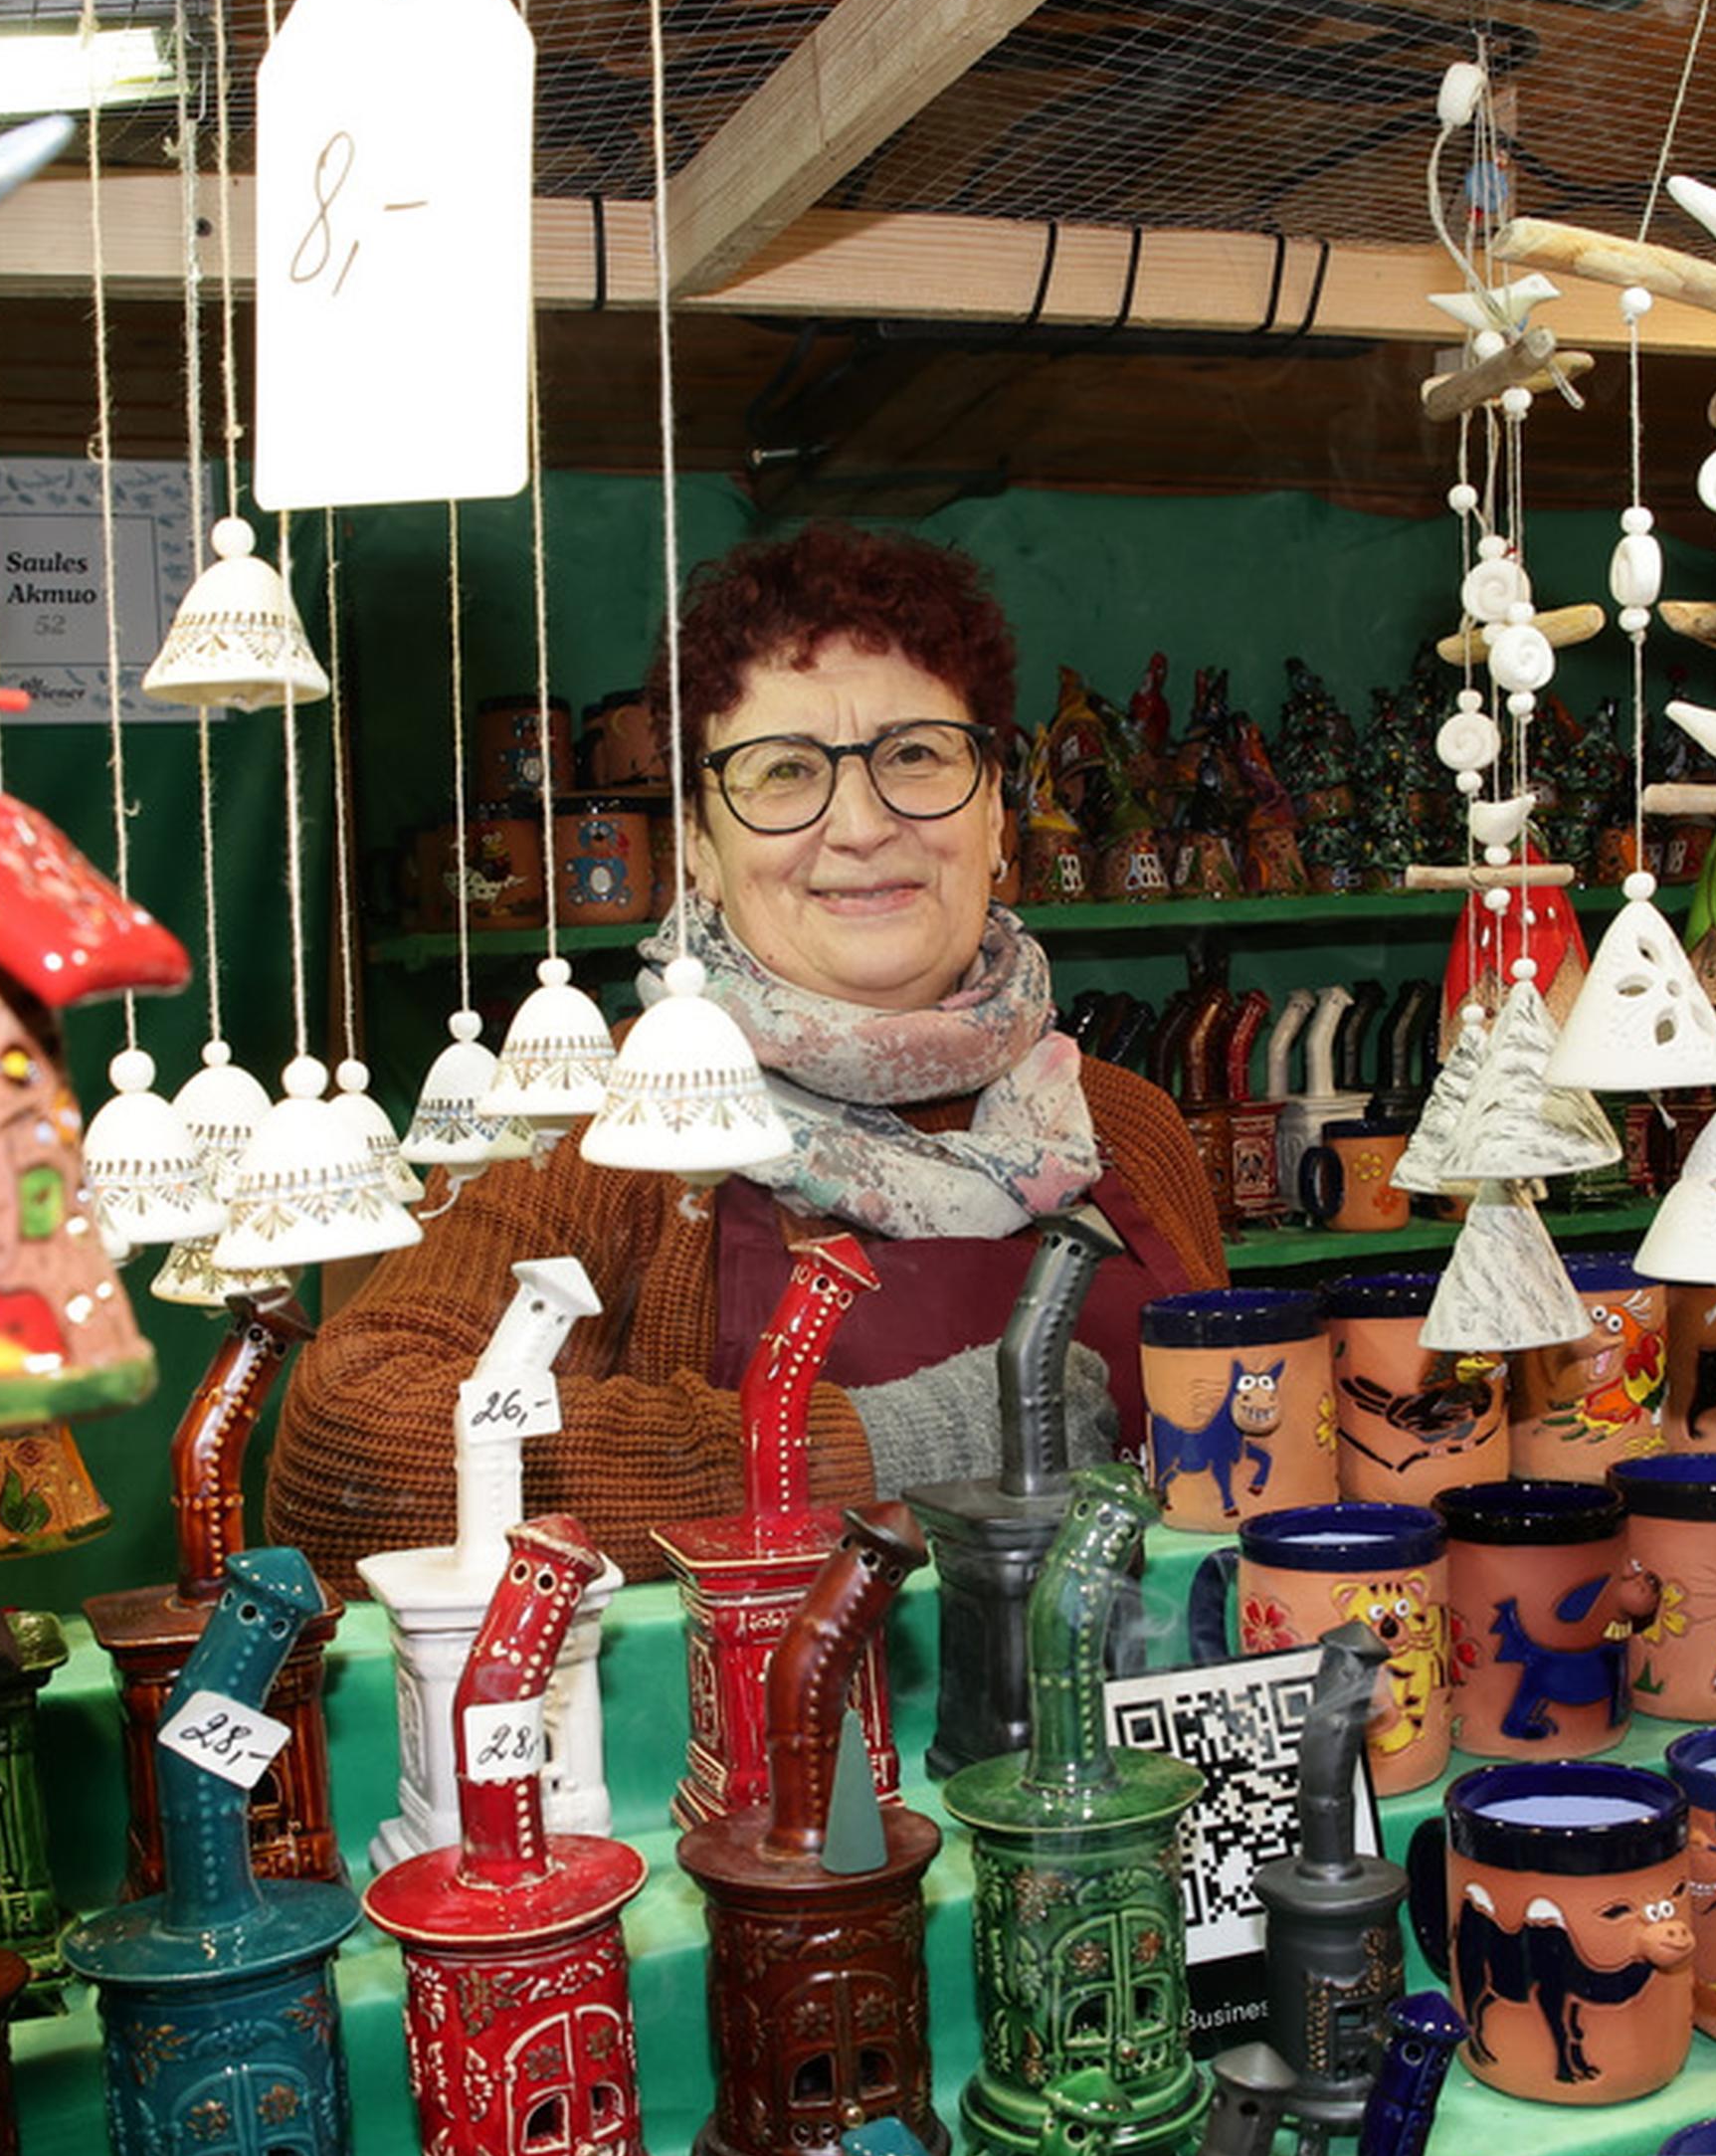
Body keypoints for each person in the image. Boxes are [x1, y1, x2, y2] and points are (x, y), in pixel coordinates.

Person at [269, 523, 1228, 1588]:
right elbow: (346, 1454)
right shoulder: (598, 1122)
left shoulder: (1123, 1123)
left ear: (998, 809)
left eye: (915, 753)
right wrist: (887, 1447)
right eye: (782, 772)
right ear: (698, 844)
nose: (861, 823)